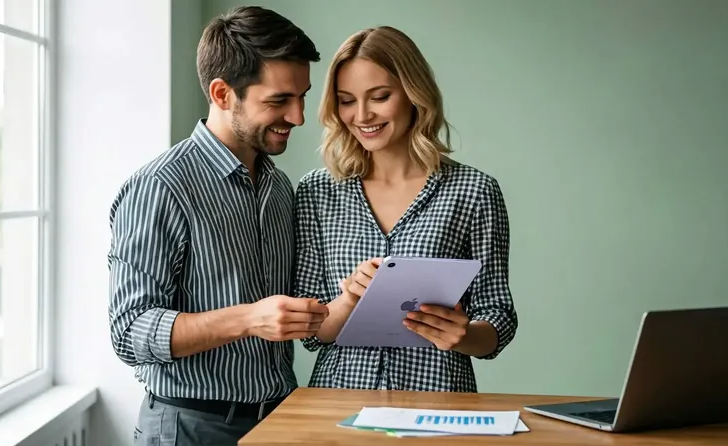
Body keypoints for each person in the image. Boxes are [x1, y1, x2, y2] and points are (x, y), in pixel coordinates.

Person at [107, 6, 328, 445]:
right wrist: (249, 318)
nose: (298, 117)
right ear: (223, 93)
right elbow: (130, 332)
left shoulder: (279, 188)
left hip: (278, 419)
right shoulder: (160, 187)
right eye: (279, 101)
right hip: (189, 428)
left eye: (302, 96)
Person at [293, 26, 518, 393]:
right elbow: (312, 331)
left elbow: (498, 316)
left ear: (414, 93)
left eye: (380, 97)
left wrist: (462, 335)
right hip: (339, 401)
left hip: (438, 398)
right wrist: (350, 298)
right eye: (346, 100)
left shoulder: (474, 191)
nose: (362, 115)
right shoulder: (317, 192)